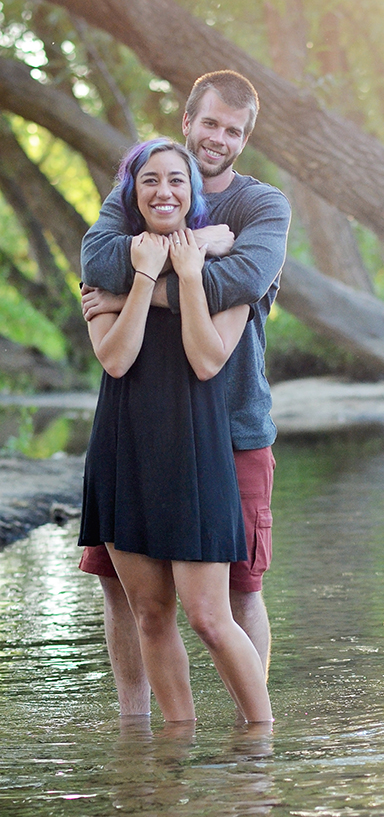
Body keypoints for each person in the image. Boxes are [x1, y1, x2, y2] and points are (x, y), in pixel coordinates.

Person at [79, 71, 291, 716]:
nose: (218, 139)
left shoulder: (261, 207)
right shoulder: (147, 180)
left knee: (238, 593)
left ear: (244, 139)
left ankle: (248, 734)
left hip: (232, 424)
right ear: (188, 119)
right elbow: (98, 261)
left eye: (233, 130)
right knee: (125, 590)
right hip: (141, 426)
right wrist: (199, 247)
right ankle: (140, 730)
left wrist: (132, 287)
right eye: (210, 124)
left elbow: (245, 279)